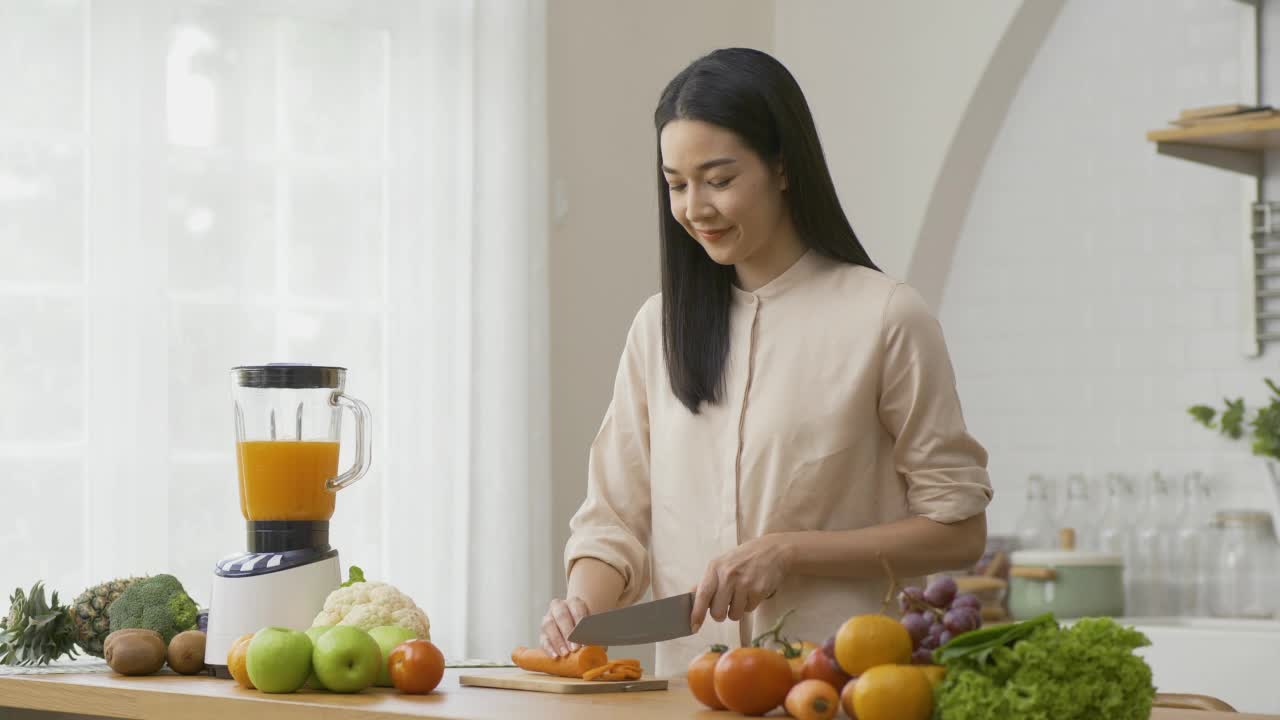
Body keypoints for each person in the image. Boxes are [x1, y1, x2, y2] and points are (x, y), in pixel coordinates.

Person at [544, 47, 992, 677]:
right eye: (676, 184)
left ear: (782, 167)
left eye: (720, 180)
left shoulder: (886, 317)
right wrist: (580, 607)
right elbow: (614, 519)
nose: (695, 208)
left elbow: (959, 530)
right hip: (691, 691)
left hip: (844, 687)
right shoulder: (659, 327)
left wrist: (791, 553)